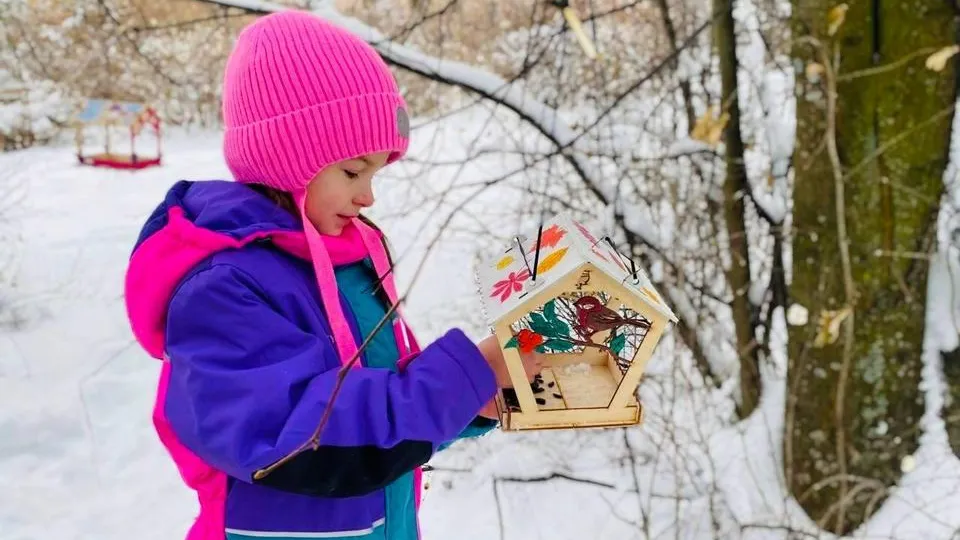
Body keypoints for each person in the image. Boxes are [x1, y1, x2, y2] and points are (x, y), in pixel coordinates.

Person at [123, 9, 541, 540]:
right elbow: (303, 442)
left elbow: (378, 420)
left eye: (374, 172)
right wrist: (462, 376)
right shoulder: (224, 288)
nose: (368, 195)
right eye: (353, 171)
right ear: (287, 157)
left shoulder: (346, 265)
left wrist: (471, 398)